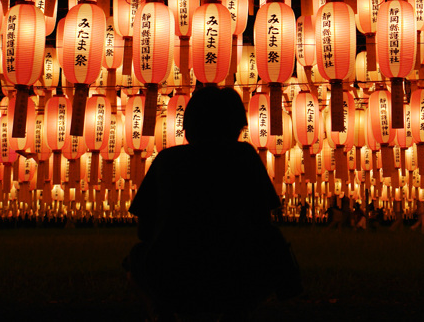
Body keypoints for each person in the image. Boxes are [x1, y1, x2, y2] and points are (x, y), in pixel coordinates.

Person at [126, 86, 300, 321]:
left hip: (171, 275)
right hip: (236, 275)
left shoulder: (168, 160)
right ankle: (238, 313)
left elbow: (144, 231)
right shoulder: (245, 156)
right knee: (272, 241)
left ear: (188, 127)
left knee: (136, 256)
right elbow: (262, 221)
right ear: (237, 126)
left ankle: (161, 312)